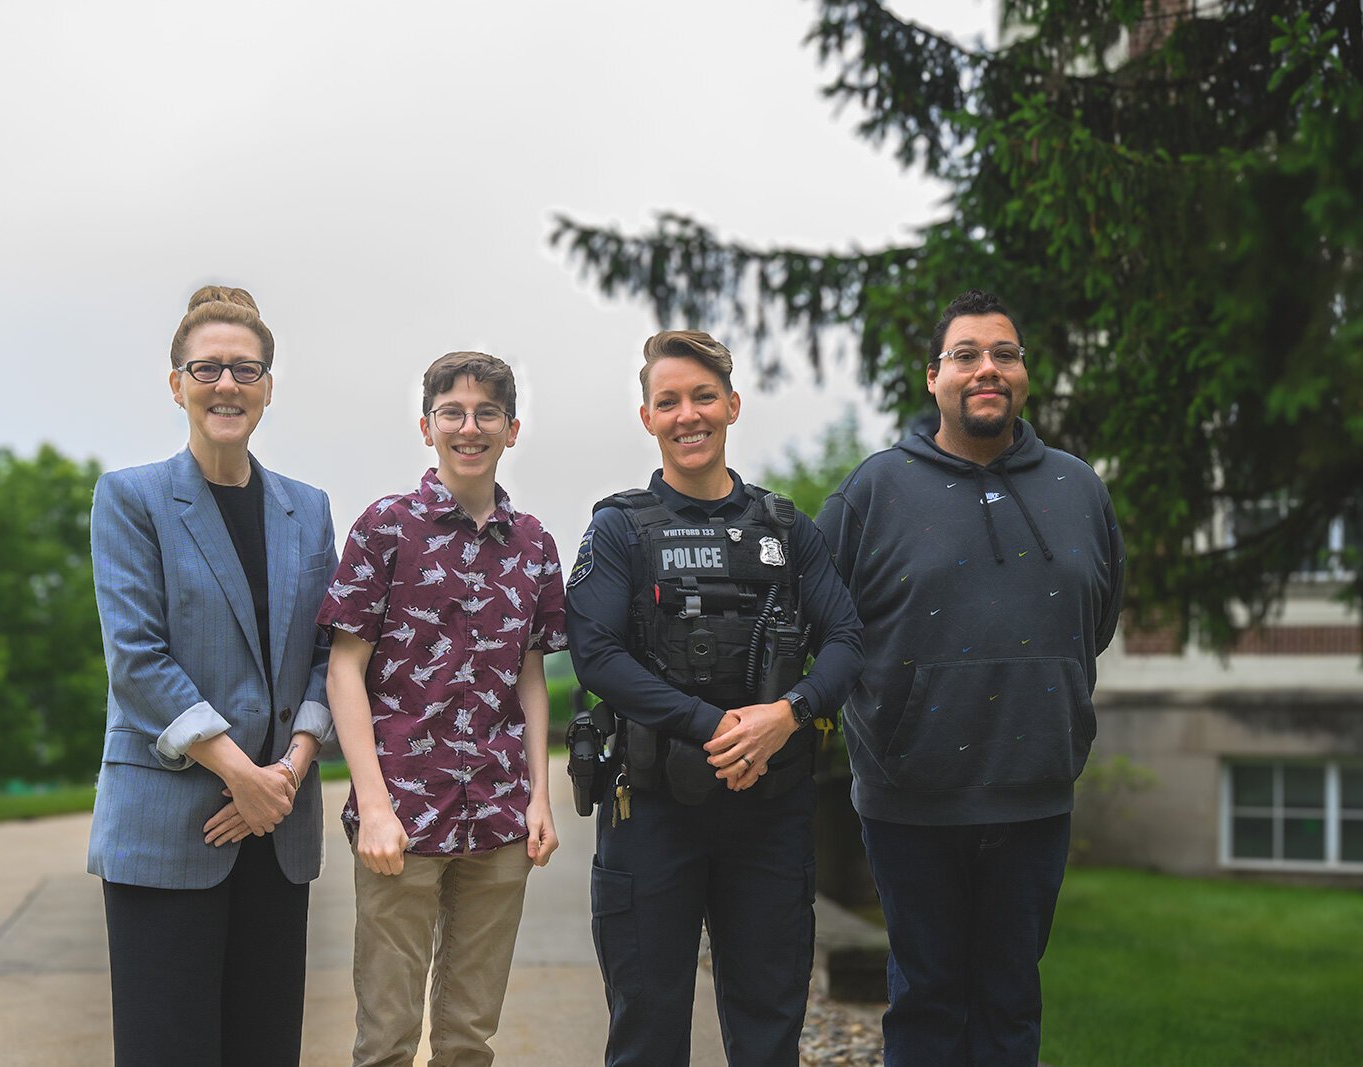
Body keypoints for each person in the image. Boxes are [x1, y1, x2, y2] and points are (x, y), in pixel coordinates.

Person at [814, 289, 1126, 1066]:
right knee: (927, 1001)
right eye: (966, 355)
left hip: (1035, 791)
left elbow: (1100, 614)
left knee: (1011, 1001)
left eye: (1005, 354)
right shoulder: (874, 491)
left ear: (1023, 373)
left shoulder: (1079, 487)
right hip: (908, 799)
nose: (987, 368)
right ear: (933, 377)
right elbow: (820, 623)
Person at [567, 330, 864, 1067]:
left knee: (769, 1029)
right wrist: (717, 726)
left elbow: (850, 640)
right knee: (647, 1029)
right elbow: (596, 653)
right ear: (647, 417)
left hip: (770, 812)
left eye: (703, 396)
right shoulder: (618, 530)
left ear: (732, 405)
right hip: (653, 810)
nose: (687, 414)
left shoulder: (788, 530)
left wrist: (784, 715)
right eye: (668, 401)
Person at [88, 285, 336, 1067]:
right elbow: (137, 657)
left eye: (244, 369)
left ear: (267, 386)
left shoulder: (310, 508)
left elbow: (333, 655)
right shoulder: (131, 498)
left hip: (279, 830)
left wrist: (287, 773)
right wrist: (240, 774)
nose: (226, 384)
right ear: (177, 384)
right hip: (168, 826)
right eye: (207, 368)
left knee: (266, 1051)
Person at [318, 351, 568, 1067]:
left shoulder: (533, 544)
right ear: (426, 426)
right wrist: (373, 803)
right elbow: (345, 667)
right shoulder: (386, 528)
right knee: (387, 1037)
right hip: (401, 812)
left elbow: (530, 674)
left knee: (468, 1037)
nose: (470, 426)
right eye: (452, 412)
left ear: (511, 429)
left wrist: (539, 797)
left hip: (497, 812)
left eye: (487, 412)